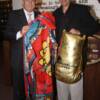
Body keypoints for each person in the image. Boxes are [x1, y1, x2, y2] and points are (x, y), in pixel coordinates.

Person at [53, 0, 100, 100]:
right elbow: (54, 34)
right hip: (60, 61)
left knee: (76, 95)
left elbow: (95, 26)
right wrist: (54, 43)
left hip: (76, 62)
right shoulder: (55, 13)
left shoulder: (81, 10)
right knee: (62, 95)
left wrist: (80, 31)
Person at [4, 0, 40, 100]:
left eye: (32, 0)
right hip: (19, 60)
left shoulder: (39, 16)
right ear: (23, 2)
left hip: (35, 61)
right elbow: (6, 34)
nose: (30, 2)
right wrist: (20, 33)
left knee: (35, 89)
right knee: (19, 92)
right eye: (27, 0)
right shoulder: (14, 14)